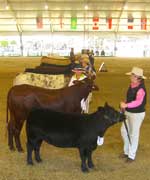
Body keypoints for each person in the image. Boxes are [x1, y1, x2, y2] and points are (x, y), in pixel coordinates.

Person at [120, 67, 147, 162]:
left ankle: (131, 155)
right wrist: (125, 105)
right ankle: (126, 151)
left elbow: (138, 102)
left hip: (137, 114)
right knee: (124, 131)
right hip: (128, 112)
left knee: (133, 134)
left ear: (138, 78)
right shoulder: (132, 85)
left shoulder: (141, 89)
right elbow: (131, 99)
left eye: (132, 75)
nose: (130, 77)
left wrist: (126, 104)